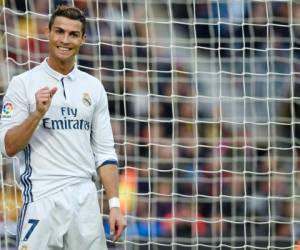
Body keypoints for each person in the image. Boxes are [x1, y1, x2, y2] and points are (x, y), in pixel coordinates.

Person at [0, 5, 126, 250]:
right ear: (48, 32)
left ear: (83, 39)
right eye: (59, 31)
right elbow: (7, 147)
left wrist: (114, 205)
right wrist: (37, 114)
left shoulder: (94, 87)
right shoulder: (22, 84)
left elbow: (105, 152)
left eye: (73, 34)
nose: (65, 40)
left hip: (85, 200)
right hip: (42, 198)